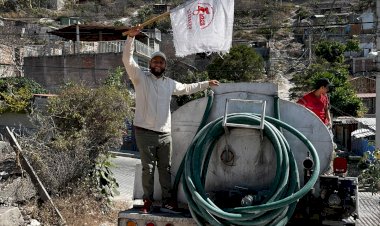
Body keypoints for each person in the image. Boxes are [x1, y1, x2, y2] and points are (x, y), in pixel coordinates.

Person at [122, 26, 220, 214]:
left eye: (161, 62)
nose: (158, 64)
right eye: (155, 61)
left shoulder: (169, 84)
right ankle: (147, 202)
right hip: (144, 132)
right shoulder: (140, 78)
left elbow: (187, 88)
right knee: (147, 169)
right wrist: (130, 39)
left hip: (164, 133)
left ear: (165, 65)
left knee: (166, 169)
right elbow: (127, 60)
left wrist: (207, 83)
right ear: (150, 64)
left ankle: (168, 201)